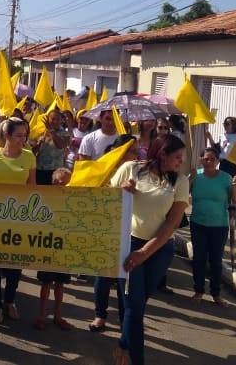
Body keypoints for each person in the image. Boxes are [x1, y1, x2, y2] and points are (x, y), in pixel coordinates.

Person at [110, 134, 189, 365]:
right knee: (134, 308)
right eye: (177, 157)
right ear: (161, 154)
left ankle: (123, 345)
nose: (181, 162)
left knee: (138, 304)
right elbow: (104, 198)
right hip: (128, 245)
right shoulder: (131, 169)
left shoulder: (180, 181)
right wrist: (122, 191)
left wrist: (144, 252)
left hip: (158, 250)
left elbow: (172, 223)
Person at [0, 117, 35, 324]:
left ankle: (10, 301)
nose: (23, 139)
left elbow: (32, 186)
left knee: (15, 264)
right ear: (7, 135)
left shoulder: (30, 157)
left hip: (19, 219)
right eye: (19, 135)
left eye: (25, 135)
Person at [87, 135, 138, 333]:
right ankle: (100, 315)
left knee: (125, 278)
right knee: (104, 275)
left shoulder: (140, 171)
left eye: (137, 151)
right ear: (120, 151)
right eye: (132, 151)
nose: (136, 155)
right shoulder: (105, 169)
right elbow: (96, 194)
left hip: (130, 231)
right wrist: (118, 188)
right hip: (106, 229)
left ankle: (125, 318)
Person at [33, 110, 73, 331]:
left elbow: (59, 146)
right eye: (52, 118)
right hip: (41, 173)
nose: (55, 120)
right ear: (47, 118)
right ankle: (41, 314)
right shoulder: (39, 133)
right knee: (46, 281)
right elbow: (35, 152)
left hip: (57, 171)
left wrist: (50, 132)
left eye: (58, 118)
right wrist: (37, 144)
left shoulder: (64, 134)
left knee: (60, 282)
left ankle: (58, 314)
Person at [188, 146, 236, 306]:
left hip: (219, 225)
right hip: (198, 223)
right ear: (201, 159)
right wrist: (190, 178)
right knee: (199, 258)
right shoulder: (195, 176)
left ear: (218, 161)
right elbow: (183, 193)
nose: (209, 162)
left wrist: (235, 184)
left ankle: (216, 294)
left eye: (212, 159)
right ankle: (198, 290)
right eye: (206, 158)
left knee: (216, 261)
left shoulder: (226, 178)